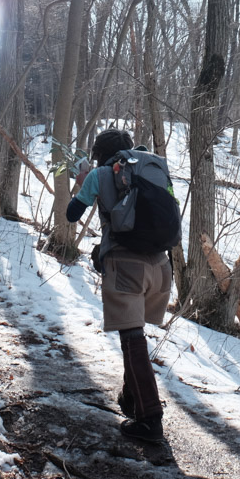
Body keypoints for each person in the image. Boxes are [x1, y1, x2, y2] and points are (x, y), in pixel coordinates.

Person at [66, 129, 172, 442]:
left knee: (131, 338)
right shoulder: (151, 166)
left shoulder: (99, 174)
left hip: (127, 265)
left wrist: (86, 180)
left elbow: (73, 214)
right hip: (161, 267)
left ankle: (150, 417)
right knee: (135, 336)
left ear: (100, 154)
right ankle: (131, 399)